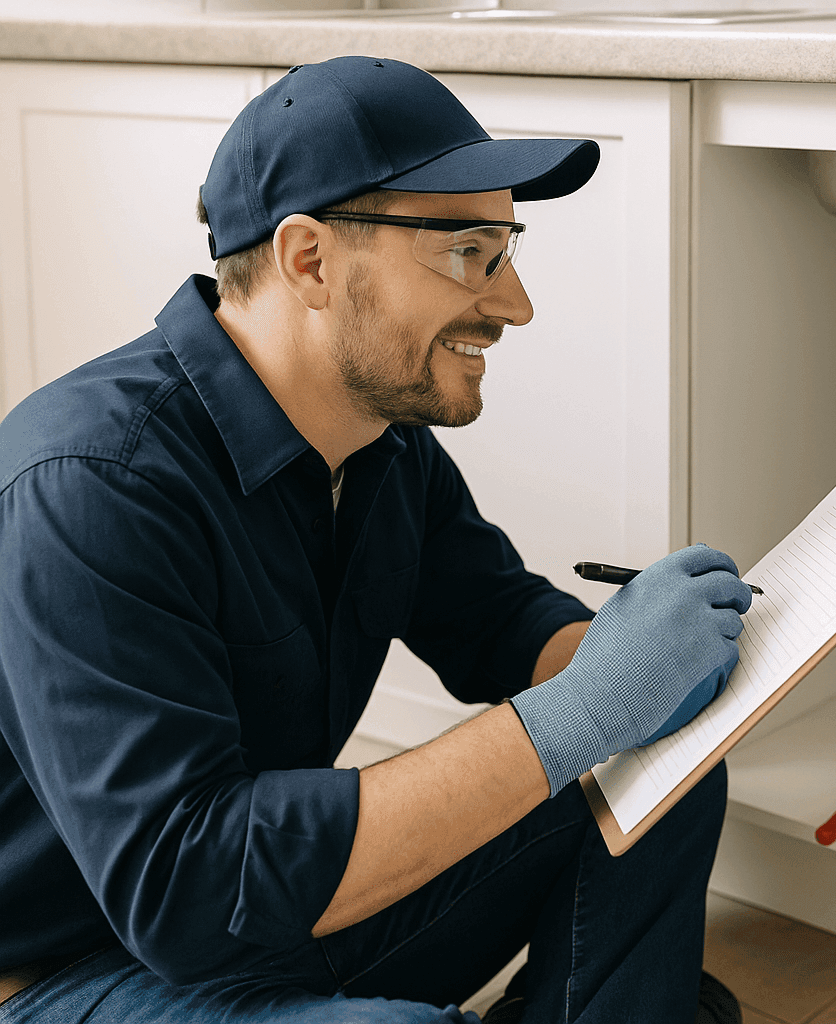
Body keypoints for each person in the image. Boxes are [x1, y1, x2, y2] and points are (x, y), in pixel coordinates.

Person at [0, 56, 751, 1024]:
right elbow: (182, 891)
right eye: (469, 252)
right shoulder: (92, 486)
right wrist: (588, 707)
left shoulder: (379, 442)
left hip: (274, 915)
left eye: (506, 249)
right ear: (309, 259)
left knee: (665, 760)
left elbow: (497, 620)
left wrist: (656, 671)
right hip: (71, 963)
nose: (515, 303)